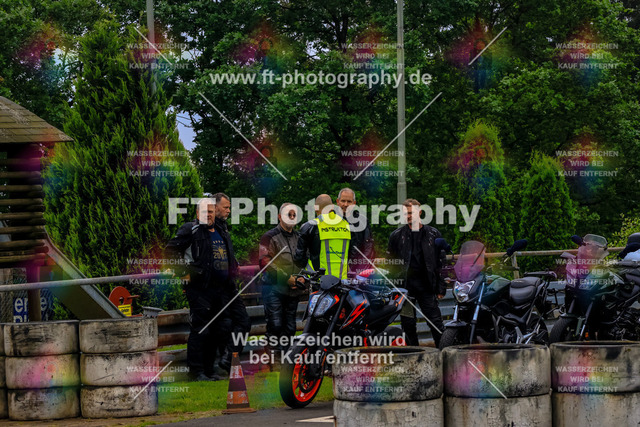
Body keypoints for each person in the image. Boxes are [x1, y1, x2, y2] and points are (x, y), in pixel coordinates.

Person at [166, 197, 232, 381]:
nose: (208, 215)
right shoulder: (190, 229)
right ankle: (196, 372)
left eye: (211, 211)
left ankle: (210, 370)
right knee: (201, 330)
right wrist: (182, 272)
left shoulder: (220, 230)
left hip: (219, 289)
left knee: (217, 330)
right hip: (199, 288)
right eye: (204, 212)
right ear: (197, 213)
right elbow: (170, 251)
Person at [387, 198, 446, 347]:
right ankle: (413, 354)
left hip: (427, 286)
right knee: (408, 325)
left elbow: (441, 262)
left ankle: (444, 352)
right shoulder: (396, 236)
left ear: (419, 212)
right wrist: (394, 287)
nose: (408, 216)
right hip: (405, 288)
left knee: (435, 322)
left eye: (411, 212)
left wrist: (441, 287)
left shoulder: (433, 234)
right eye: (405, 213)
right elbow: (391, 264)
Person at [259, 203, 304, 356]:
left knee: (290, 327)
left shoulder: (300, 237)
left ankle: (286, 360)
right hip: (273, 289)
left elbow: (305, 260)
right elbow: (265, 262)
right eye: (288, 214)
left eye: (294, 215)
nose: (291, 218)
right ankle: (274, 360)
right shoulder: (269, 237)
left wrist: (302, 278)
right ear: (279, 216)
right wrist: (286, 278)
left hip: (293, 291)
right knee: (275, 325)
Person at [294, 194, 351, 280]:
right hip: (342, 281)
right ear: (332, 207)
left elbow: (299, 258)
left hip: (318, 281)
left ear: (315, 208)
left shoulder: (309, 226)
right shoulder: (346, 225)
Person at [335, 188, 374, 274]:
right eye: (343, 201)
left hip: (356, 270)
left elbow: (368, 247)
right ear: (338, 201)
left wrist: (360, 268)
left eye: (349, 201)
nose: (346, 204)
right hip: (335, 269)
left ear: (354, 203)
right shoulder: (330, 221)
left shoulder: (362, 221)